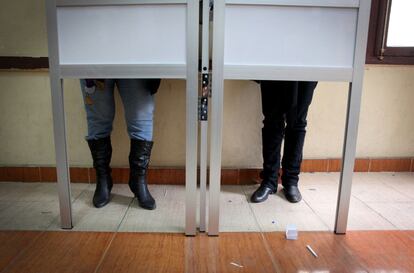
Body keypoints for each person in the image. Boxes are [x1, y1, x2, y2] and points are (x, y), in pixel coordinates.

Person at [80, 79, 161, 210]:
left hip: (137, 60)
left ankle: (138, 180)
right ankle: (103, 180)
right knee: (98, 120)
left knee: (142, 118)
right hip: (95, 62)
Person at [251, 81, 317, 203]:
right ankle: (269, 180)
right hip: (273, 65)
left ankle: (291, 181)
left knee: (297, 122)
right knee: (272, 120)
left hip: (307, 65)